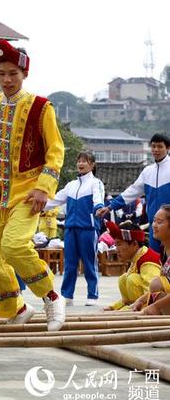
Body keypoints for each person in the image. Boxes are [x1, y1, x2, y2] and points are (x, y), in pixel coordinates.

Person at [0, 37, 66, 331]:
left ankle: (52, 296)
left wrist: (43, 188)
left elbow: (55, 151)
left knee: (13, 247)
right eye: (1, 73)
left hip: (27, 194)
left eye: (13, 73)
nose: (7, 79)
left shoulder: (40, 107)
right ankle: (16, 307)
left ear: (25, 74)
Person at [45, 152, 105, 306]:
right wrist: (37, 204)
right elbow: (55, 200)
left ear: (92, 165)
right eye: (79, 160)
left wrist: (99, 207)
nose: (81, 163)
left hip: (88, 228)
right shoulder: (71, 185)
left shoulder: (95, 182)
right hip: (70, 228)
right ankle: (67, 296)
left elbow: (98, 199)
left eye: (84, 161)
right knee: (70, 263)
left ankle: (92, 295)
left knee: (89, 262)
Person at [96, 133, 170, 253]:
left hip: (169, 224)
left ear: (168, 148)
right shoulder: (148, 171)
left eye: (160, 146)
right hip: (154, 226)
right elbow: (132, 192)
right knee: (155, 263)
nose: (156, 150)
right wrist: (110, 207)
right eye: (153, 146)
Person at [102, 220, 161, 311]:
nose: (116, 249)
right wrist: (113, 307)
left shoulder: (147, 261)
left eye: (119, 244)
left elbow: (154, 295)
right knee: (124, 278)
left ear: (134, 244)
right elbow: (127, 300)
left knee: (132, 279)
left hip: (151, 307)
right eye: (115, 245)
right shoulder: (137, 257)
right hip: (138, 304)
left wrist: (127, 310)